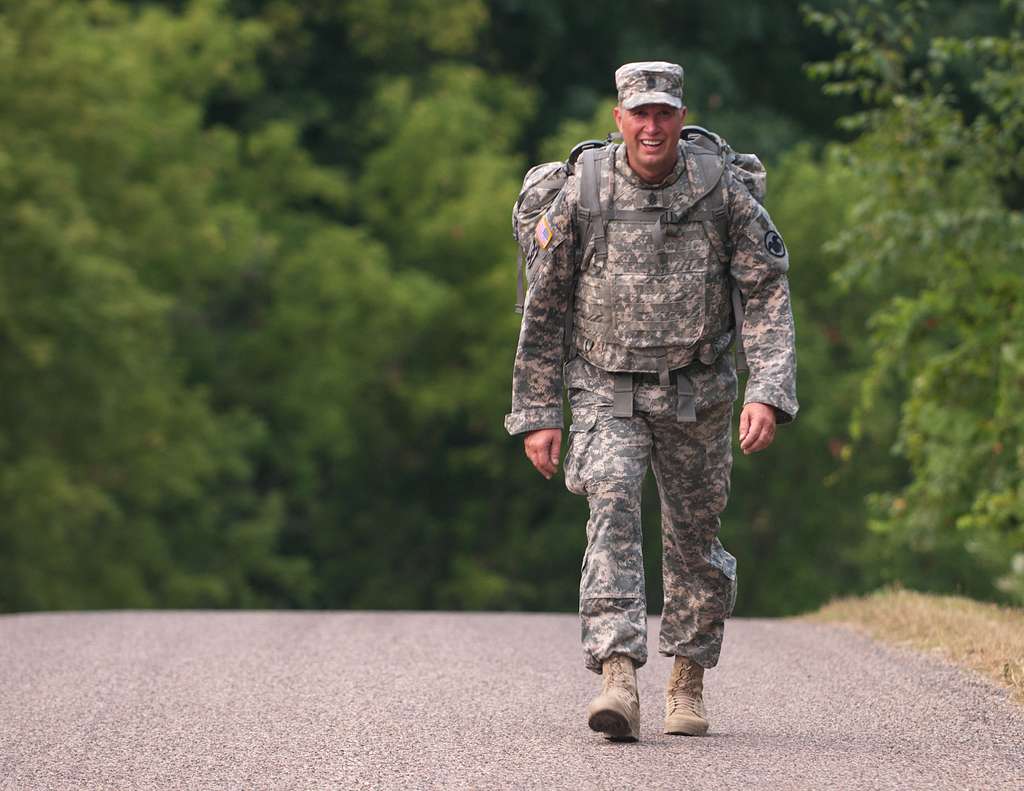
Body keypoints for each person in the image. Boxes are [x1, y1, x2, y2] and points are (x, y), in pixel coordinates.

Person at [504, 61, 798, 742]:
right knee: (609, 503)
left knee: (694, 540)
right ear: (619, 120)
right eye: (640, 113)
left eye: (664, 112)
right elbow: (544, 306)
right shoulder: (585, 190)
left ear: (680, 115)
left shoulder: (719, 190)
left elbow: (765, 290)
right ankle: (617, 673)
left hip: (698, 389)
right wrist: (539, 411)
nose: (652, 125)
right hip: (605, 385)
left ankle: (688, 675)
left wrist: (769, 391)